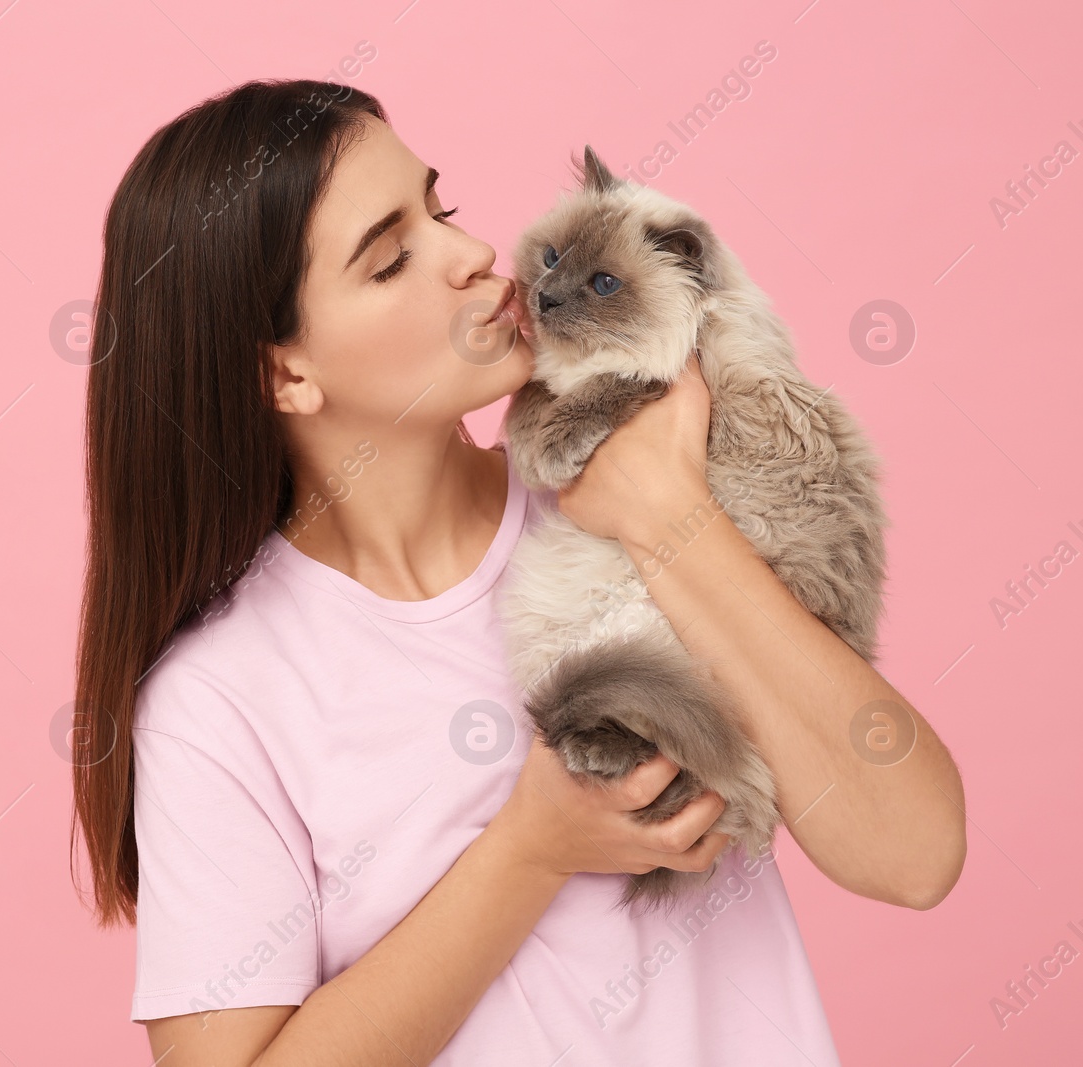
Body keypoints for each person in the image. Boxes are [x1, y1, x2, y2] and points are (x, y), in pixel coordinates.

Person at [70, 78, 965, 1066]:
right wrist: (530, 847)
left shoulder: (648, 486)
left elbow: (913, 853)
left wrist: (670, 514)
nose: (470, 255)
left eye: (440, 208)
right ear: (284, 372)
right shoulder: (221, 699)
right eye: (391, 258)